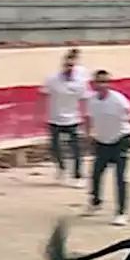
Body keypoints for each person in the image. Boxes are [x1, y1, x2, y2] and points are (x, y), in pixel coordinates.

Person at [83, 69, 130, 227]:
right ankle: (96, 201)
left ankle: (121, 213)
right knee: (95, 174)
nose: (103, 85)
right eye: (99, 82)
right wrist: (88, 135)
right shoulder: (91, 101)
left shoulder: (119, 100)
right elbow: (89, 118)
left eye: (106, 82)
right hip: (102, 141)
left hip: (120, 140)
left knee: (120, 178)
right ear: (93, 84)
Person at [41, 48, 88, 187]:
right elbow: (44, 95)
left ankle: (77, 175)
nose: (69, 68)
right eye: (67, 65)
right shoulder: (52, 79)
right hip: (54, 117)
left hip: (73, 118)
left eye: (72, 65)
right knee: (55, 147)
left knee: (76, 148)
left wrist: (86, 116)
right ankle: (61, 168)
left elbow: (85, 98)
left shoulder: (81, 80)